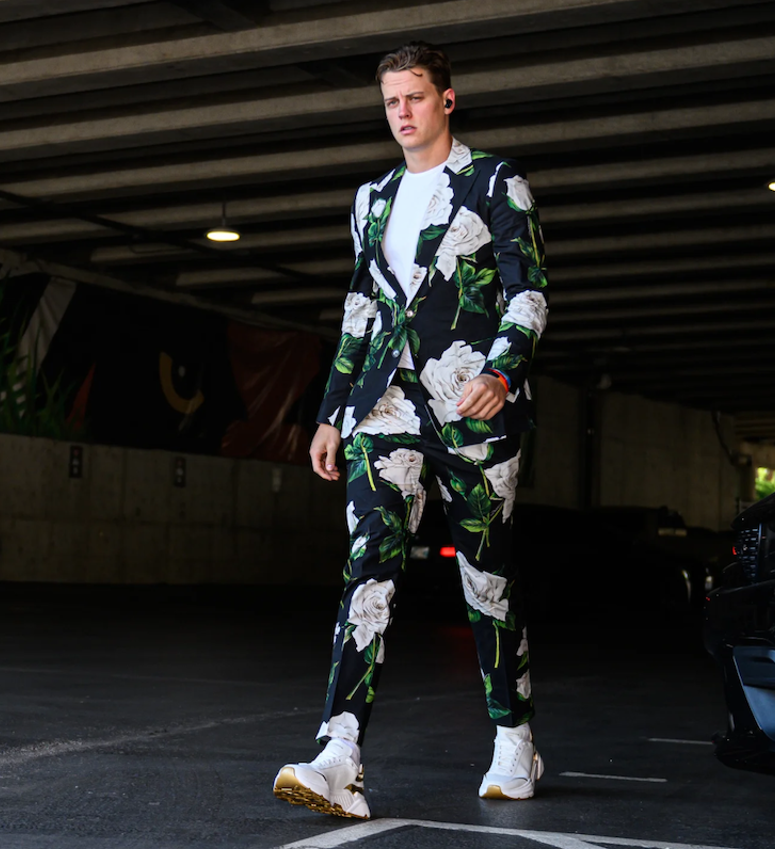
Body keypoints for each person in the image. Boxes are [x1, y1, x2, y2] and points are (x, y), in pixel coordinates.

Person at [272, 41, 548, 820]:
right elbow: (362, 309)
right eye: (391, 100)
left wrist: (501, 372)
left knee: (485, 579)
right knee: (370, 567)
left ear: (447, 100)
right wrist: (331, 412)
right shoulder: (371, 198)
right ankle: (339, 752)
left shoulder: (496, 182)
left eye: (416, 97)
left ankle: (513, 736)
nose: (402, 111)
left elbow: (529, 293)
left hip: (472, 405)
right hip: (383, 409)